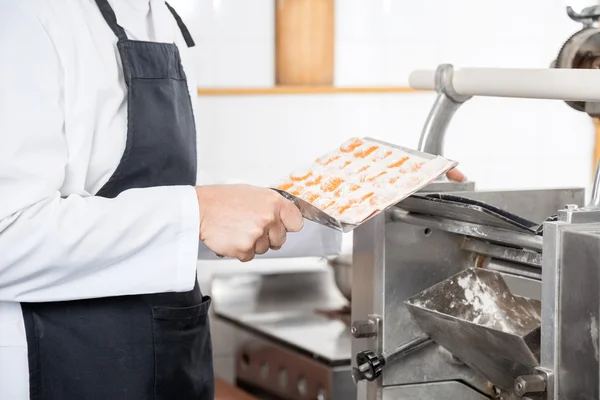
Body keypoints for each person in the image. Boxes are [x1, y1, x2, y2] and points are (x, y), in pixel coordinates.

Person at [0, 1, 465, 399]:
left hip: (168, 361)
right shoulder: (27, 16)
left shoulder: (160, 19)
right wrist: (199, 212)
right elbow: (8, 236)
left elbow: (163, 228)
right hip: (63, 369)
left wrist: (367, 199)